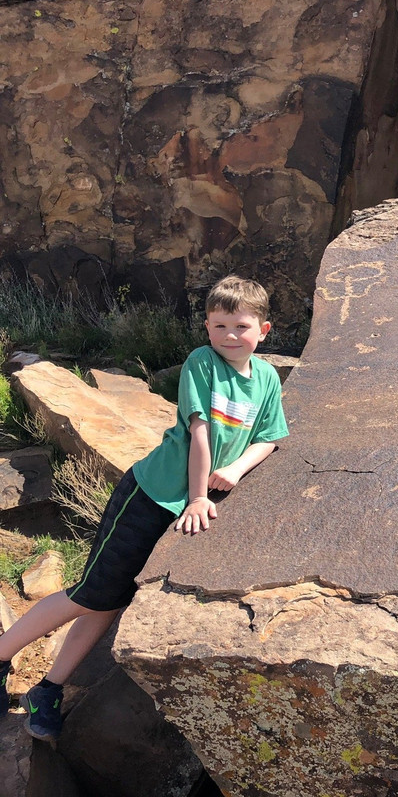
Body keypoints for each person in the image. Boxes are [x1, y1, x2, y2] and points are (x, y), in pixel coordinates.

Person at [0, 275, 288, 741]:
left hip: (193, 500)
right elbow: (200, 433)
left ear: (264, 330)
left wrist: (234, 471)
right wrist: (197, 496)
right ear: (207, 329)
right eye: (219, 326)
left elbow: (272, 437)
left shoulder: (267, 378)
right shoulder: (203, 363)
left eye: (240, 326)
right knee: (90, 592)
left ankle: (48, 688)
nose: (230, 336)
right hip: (151, 495)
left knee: (108, 601)